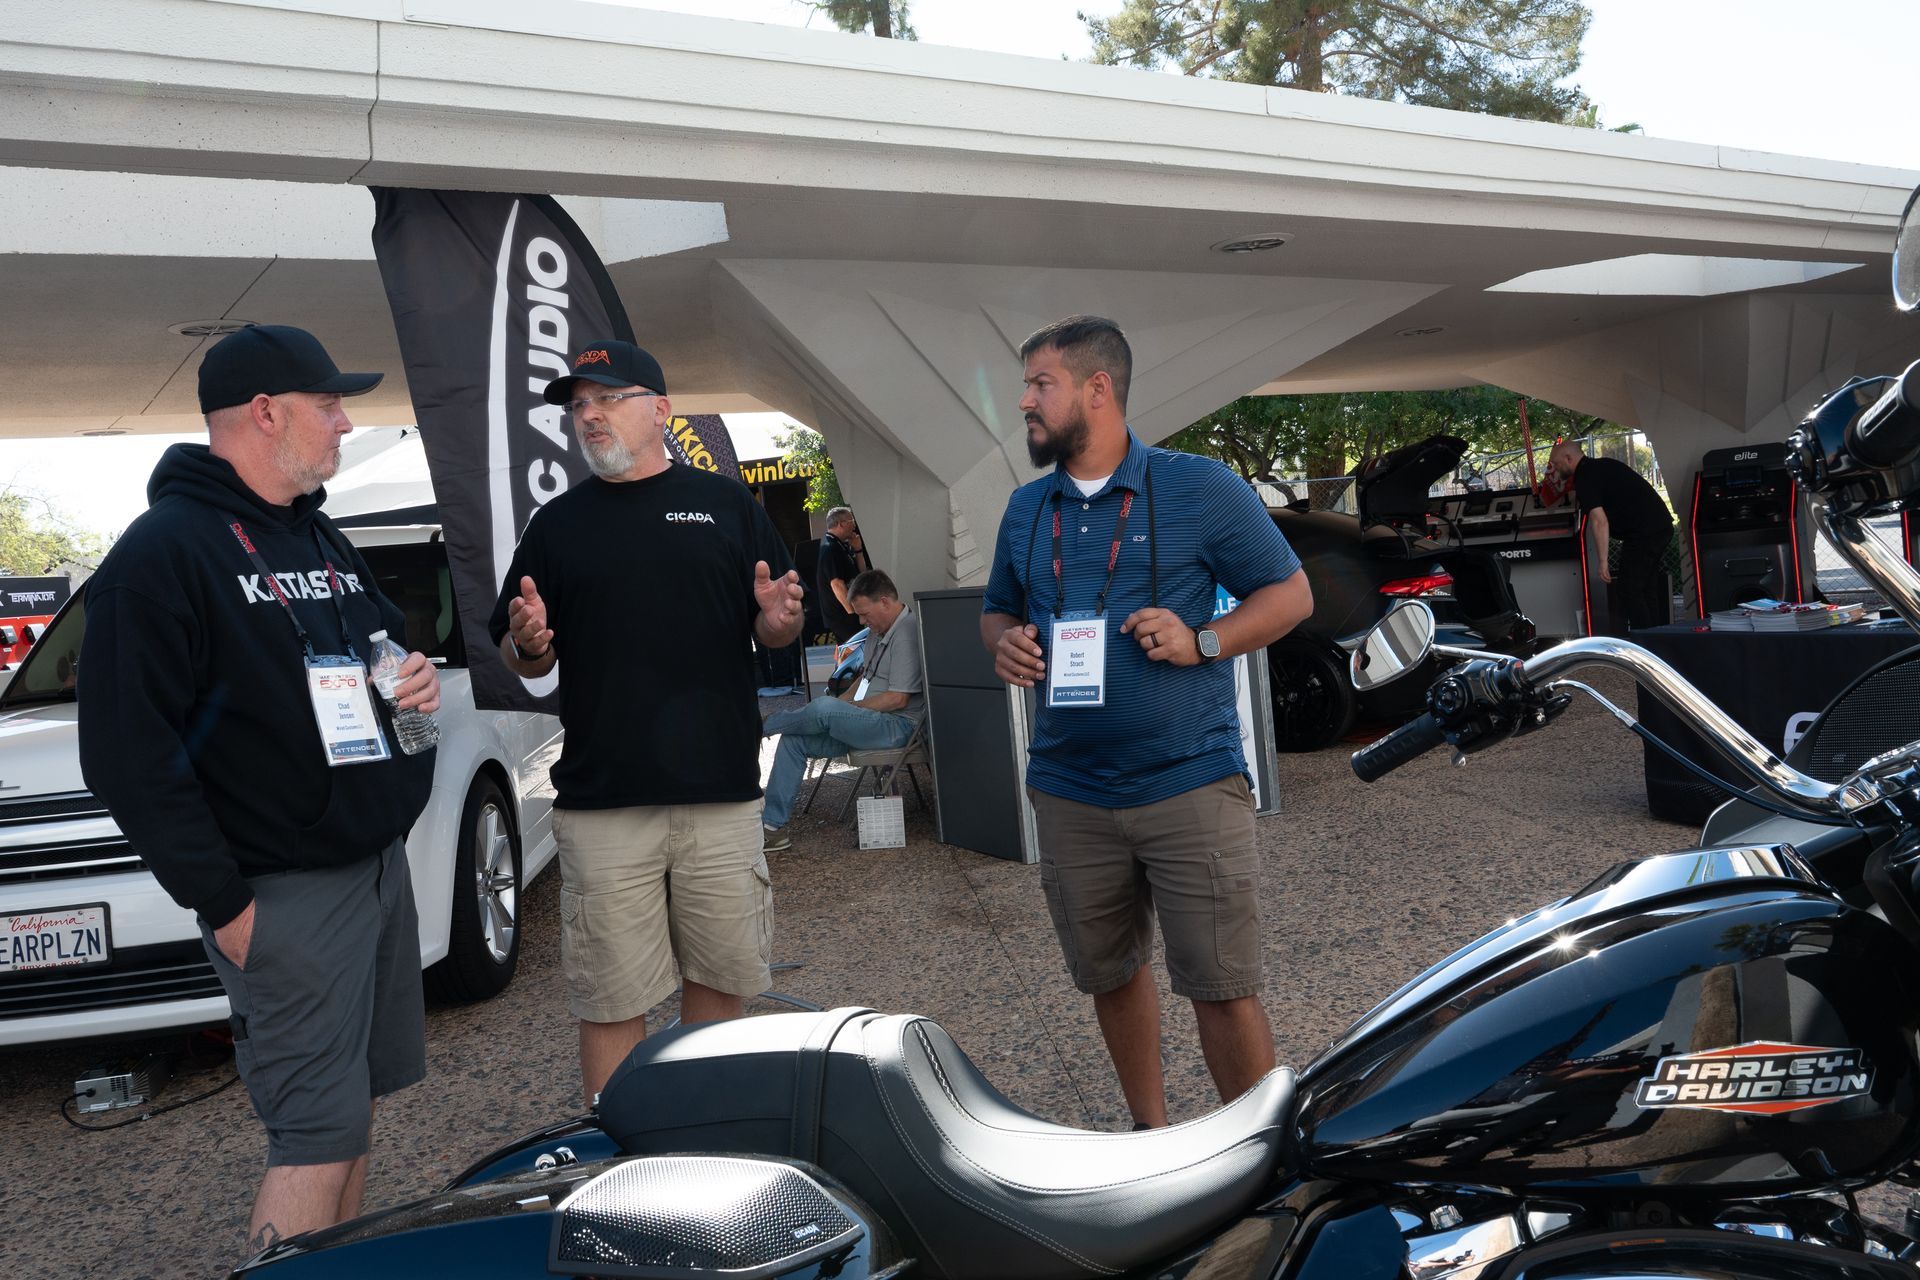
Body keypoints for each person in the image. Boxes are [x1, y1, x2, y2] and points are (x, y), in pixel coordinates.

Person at [77, 324, 441, 1255]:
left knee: (351, 1117)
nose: (346, 423)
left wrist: (416, 688)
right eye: (328, 406)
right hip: (282, 896)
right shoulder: (165, 554)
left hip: (371, 871)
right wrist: (226, 904)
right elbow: (125, 753)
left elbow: (377, 656)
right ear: (265, 413)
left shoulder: (317, 533)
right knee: (313, 1136)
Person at [980, 315, 1313, 1130]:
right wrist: (1006, 645)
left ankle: (1258, 1154)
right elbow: (996, 612)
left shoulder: (1200, 487)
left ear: (1098, 390)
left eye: (1040, 384)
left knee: (1223, 985)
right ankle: (1150, 1135)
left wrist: (1205, 640)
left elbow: (1291, 596)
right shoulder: (1027, 511)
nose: (1024, 401)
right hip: (1070, 791)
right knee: (1111, 974)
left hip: (1189, 781)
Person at [489, 338, 805, 1106]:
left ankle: (703, 1148)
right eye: (577, 406)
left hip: (721, 794)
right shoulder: (558, 525)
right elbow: (521, 651)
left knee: (719, 987)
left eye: (605, 399)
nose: (587, 416)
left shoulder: (728, 506)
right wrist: (527, 643)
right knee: (611, 999)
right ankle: (619, 1167)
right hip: (604, 805)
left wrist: (777, 620)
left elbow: (778, 629)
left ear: (658, 411)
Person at [760, 569, 925, 850]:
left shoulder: (907, 632)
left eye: (864, 613)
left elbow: (898, 699)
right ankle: (771, 827)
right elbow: (865, 676)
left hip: (897, 727)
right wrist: (844, 704)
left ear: (884, 602)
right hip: (870, 721)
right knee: (795, 740)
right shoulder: (880, 630)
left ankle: (761, 726)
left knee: (824, 708)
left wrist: (847, 708)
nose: (861, 621)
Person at [1548, 439, 1674, 631]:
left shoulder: (1585, 478)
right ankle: (1656, 637)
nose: (1555, 469)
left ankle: (1645, 641)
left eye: (1556, 464)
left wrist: (1603, 562)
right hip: (1659, 525)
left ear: (1568, 458)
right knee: (1645, 589)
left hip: (1644, 532)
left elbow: (1599, 521)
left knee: (1628, 590)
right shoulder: (1602, 465)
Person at [816, 506, 865, 643]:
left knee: (851, 653)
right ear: (841, 524)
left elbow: (861, 575)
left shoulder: (840, 545)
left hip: (848, 612)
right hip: (842, 614)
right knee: (855, 650)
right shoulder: (830, 548)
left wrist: (858, 550)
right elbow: (836, 584)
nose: (854, 525)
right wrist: (852, 612)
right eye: (852, 520)